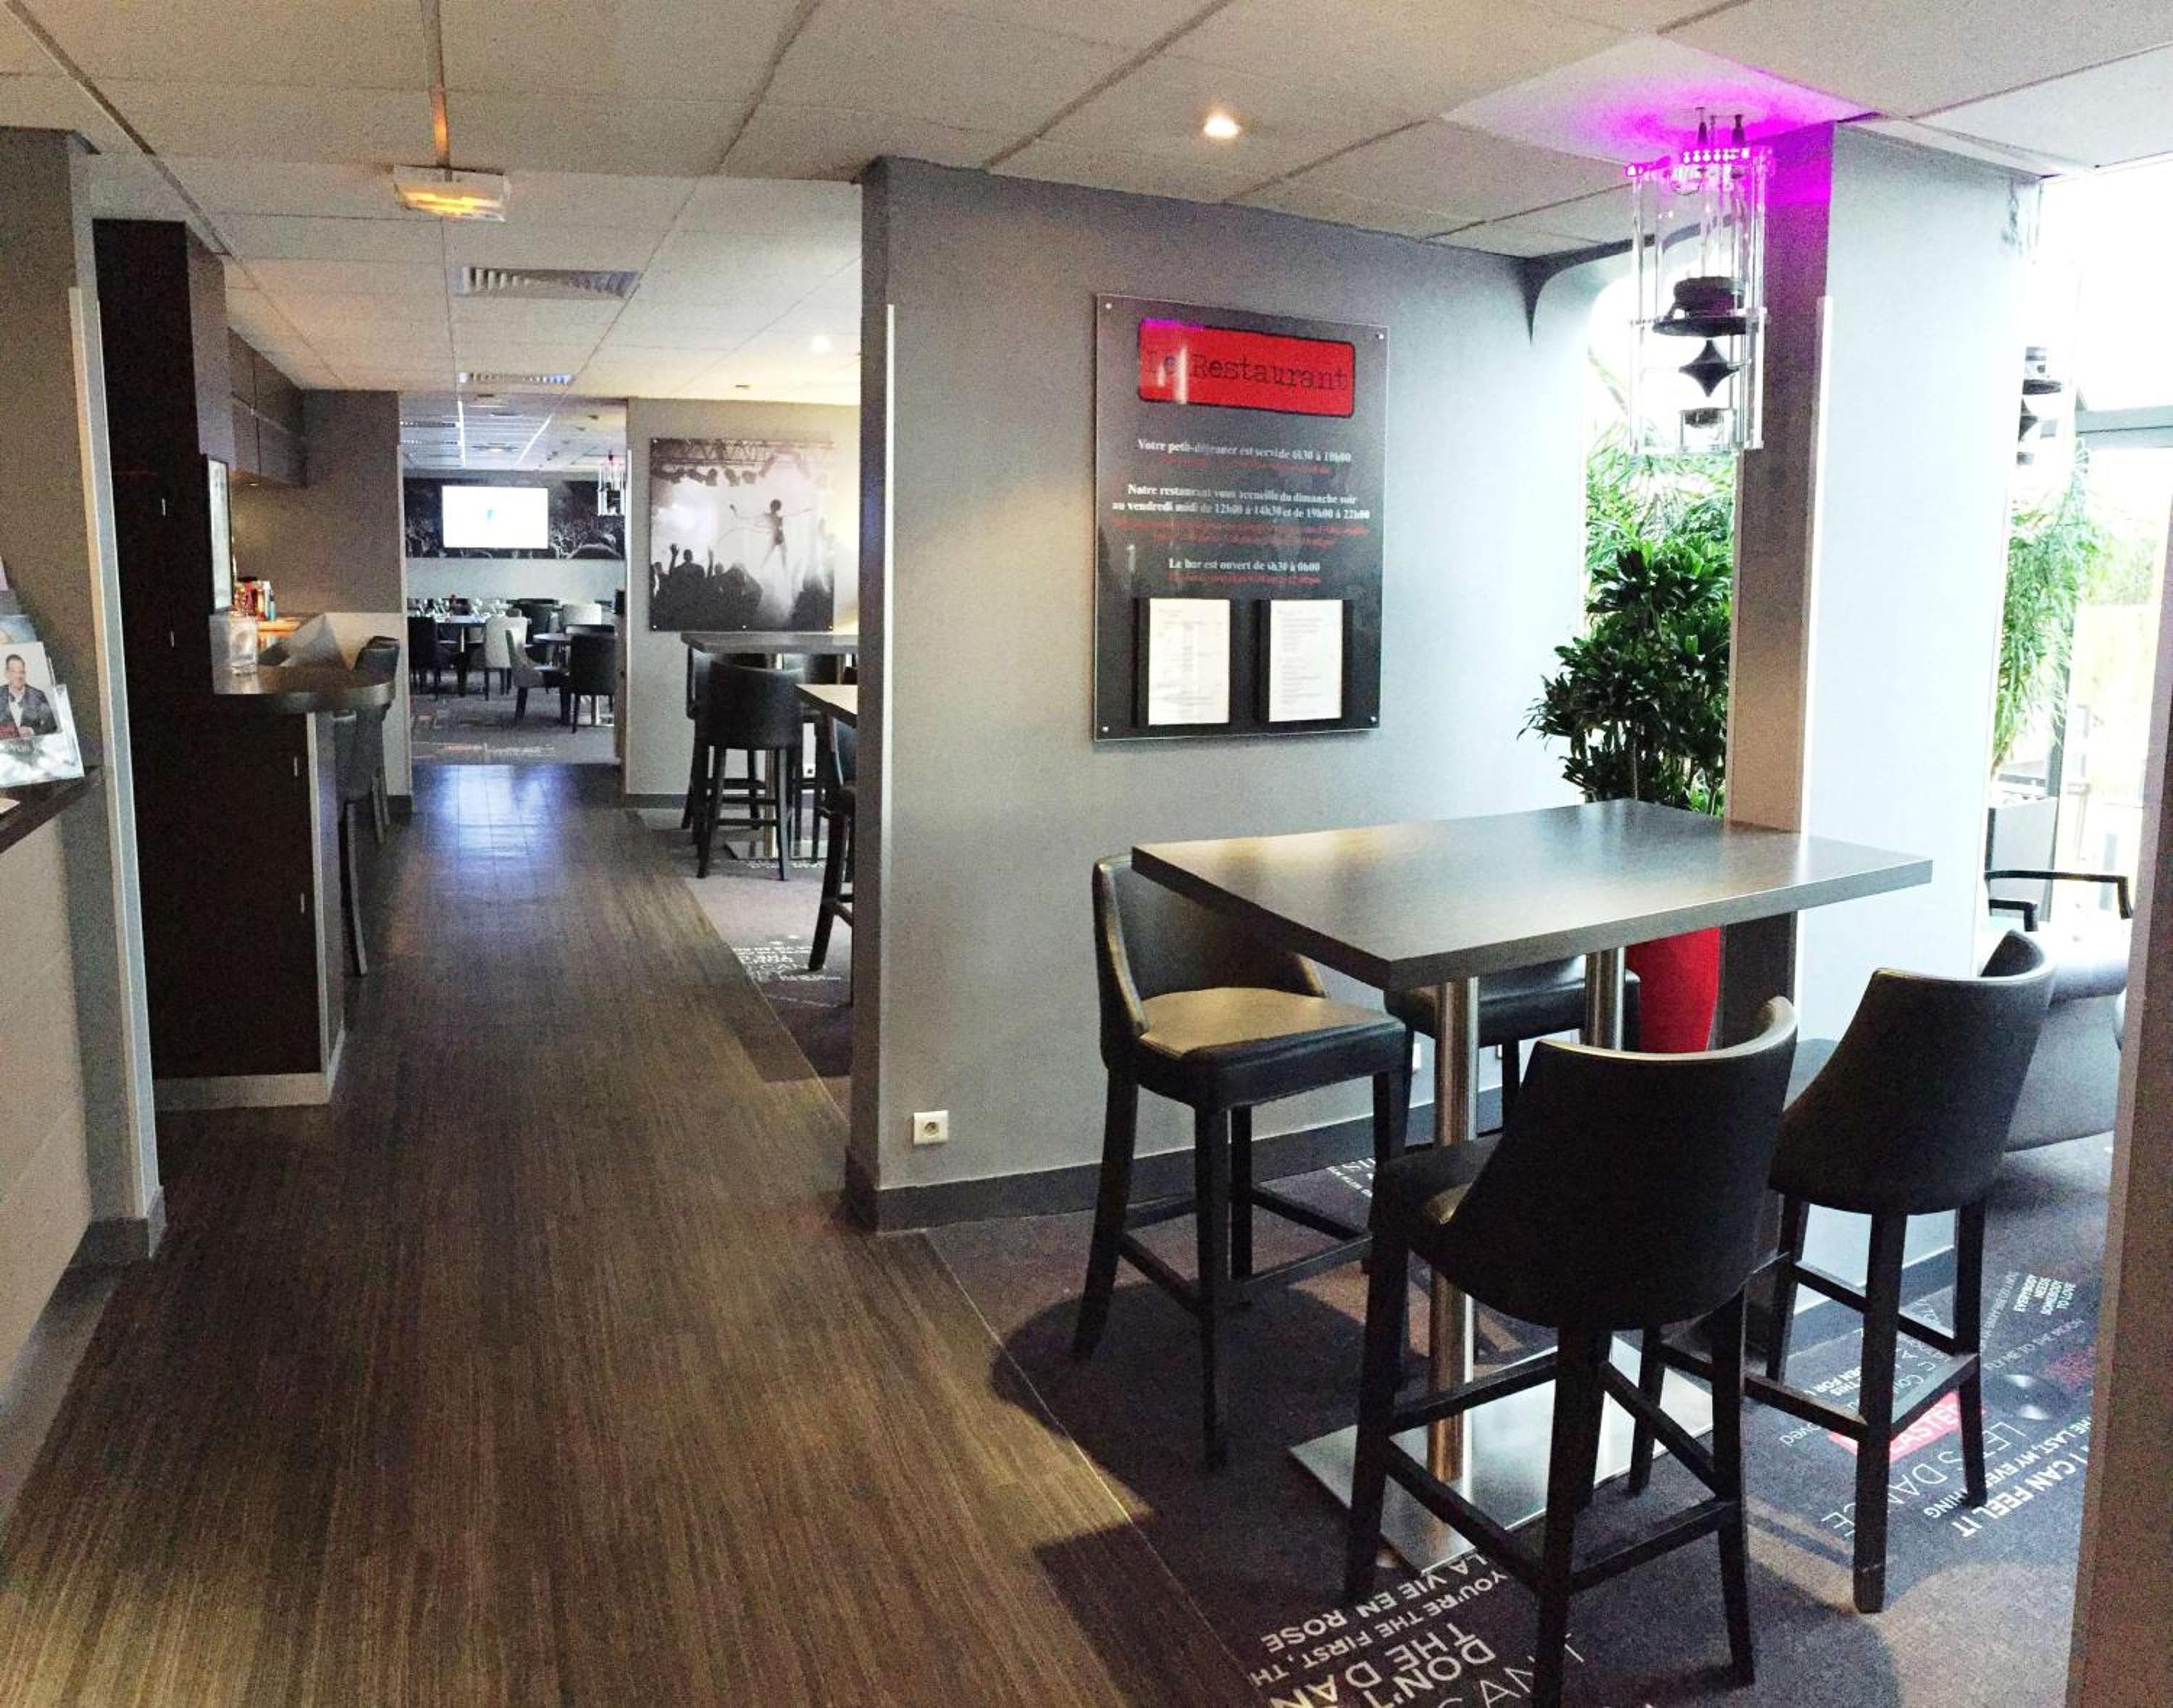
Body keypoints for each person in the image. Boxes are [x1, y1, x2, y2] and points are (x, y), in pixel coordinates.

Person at [0, 653, 57, 738]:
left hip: (33, 745)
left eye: (22, 672)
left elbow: (51, 724)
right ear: (6, 673)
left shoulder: (38, 695)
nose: (18, 676)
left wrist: (32, 731)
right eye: (14, 672)